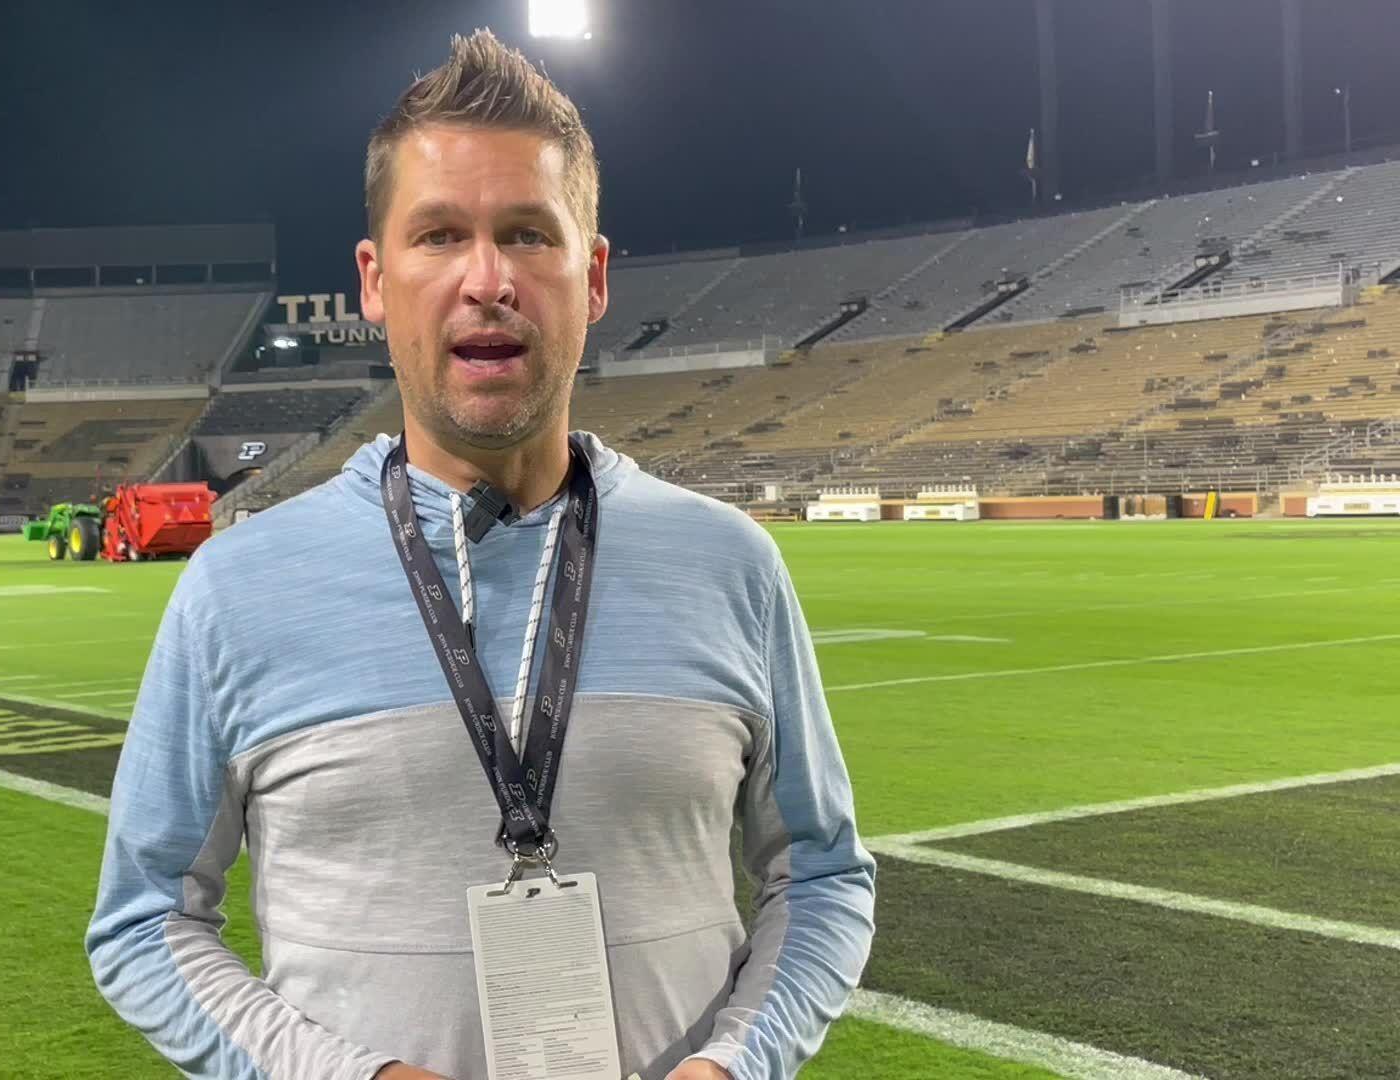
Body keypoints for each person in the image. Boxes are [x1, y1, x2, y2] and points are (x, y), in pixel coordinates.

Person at [86, 29, 875, 1080]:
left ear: (592, 277)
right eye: (440, 235)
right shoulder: (239, 588)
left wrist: (738, 1063)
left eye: (528, 234)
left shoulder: (729, 565)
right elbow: (144, 921)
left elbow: (820, 876)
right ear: (374, 280)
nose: (487, 278)